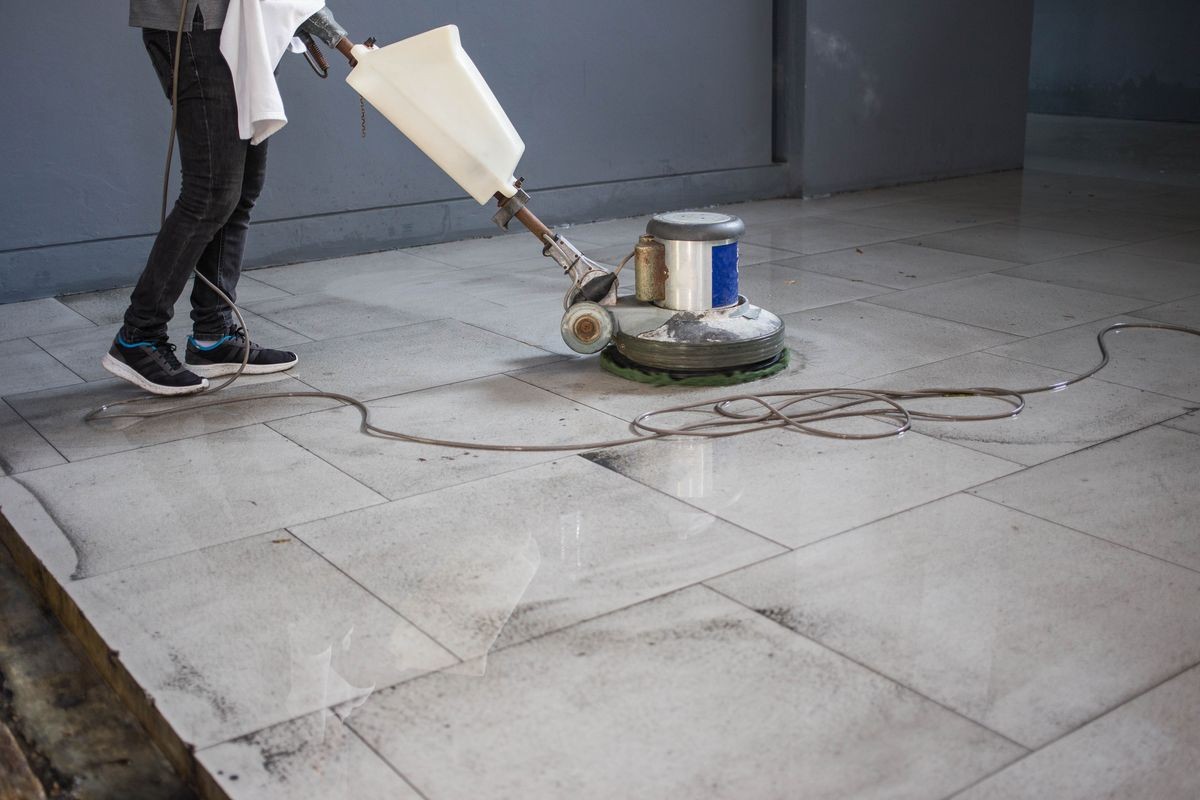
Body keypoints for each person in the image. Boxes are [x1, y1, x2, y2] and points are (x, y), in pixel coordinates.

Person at [106, 1, 348, 395]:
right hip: (195, 28)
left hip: (245, 27)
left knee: (241, 190)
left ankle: (213, 337)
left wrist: (333, 36)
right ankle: (138, 336)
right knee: (211, 192)